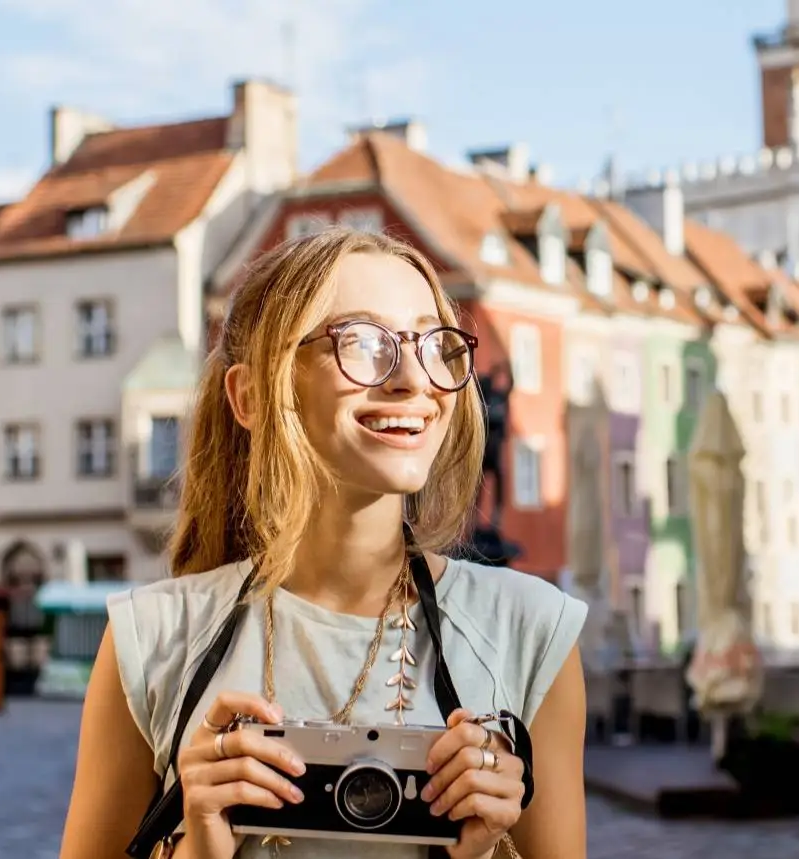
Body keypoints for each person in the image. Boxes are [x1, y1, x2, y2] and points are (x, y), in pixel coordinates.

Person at [59, 228, 588, 859]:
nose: (413, 380)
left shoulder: (530, 631)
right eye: (363, 342)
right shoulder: (151, 638)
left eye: (432, 344)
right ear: (251, 396)